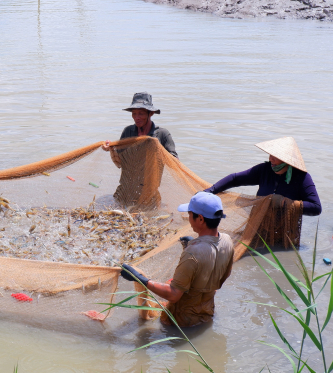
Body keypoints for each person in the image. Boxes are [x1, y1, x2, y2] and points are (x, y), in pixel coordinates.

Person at [121, 192, 234, 327]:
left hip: (180, 321)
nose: (188, 218)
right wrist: (196, 245)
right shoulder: (227, 241)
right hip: (207, 314)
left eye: (190, 214)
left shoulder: (193, 254)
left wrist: (139, 278)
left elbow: (173, 295)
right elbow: (221, 276)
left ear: (201, 219)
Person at [203, 137, 321, 216]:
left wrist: (285, 203)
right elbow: (235, 179)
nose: (271, 159)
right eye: (270, 155)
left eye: (276, 156)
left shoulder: (302, 178)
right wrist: (210, 191)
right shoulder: (264, 170)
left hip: (285, 232)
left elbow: (316, 208)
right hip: (259, 226)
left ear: (287, 161)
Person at [101, 93, 178, 207]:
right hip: (125, 190)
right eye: (134, 113)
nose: (137, 117)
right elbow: (121, 161)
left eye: (141, 113)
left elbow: (175, 162)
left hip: (149, 192)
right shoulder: (128, 131)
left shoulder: (162, 134)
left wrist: (156, 150)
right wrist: (110, 148)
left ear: (150, 113)